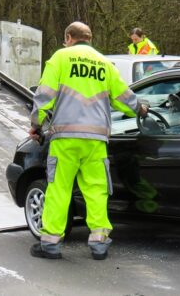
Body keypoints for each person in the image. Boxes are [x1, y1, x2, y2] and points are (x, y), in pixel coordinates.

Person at [29, 21, 148, 260]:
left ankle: (51, 243)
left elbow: (45, 96)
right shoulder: (105, 64)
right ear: (90, 39)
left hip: (66, 138)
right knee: (96, 190)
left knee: (59, 189)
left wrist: (35, 124)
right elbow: (124, 97)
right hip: (96, 140)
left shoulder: (60, 58)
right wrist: (141, 109)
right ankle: (99, 242)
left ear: (69, 38)